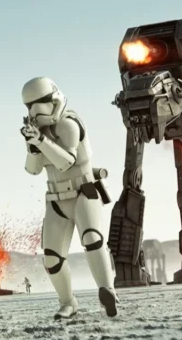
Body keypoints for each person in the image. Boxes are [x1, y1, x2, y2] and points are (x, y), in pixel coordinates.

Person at [21, 76, 118, 320]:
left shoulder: (69, 124)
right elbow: (33, 170)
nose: (34, 111)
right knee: (52, 258)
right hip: (56, 199)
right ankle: (68, 302)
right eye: (30, 106)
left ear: (53, 100)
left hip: (84, 192)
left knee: (92, 239)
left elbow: (66, 161)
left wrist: (40, 141)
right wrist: (33, 148)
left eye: (38, 104)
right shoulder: (39, 132)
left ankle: (108, 290)